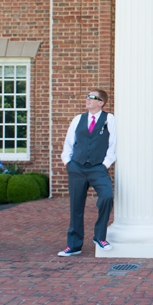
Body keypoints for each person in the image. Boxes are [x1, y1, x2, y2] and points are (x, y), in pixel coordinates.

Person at [58, 89, 117, 257]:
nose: (87, 99)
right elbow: (69, 142)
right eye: (87, 96)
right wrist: (67, 162)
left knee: (107, 196)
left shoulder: (109, 119)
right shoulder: (78, 119)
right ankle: (74, 246)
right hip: (77, 167)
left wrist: (105, 165)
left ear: (101, 102)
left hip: (98, 168)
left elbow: (113, 145)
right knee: (76, 207)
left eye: (92, 97)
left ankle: (100, 236)